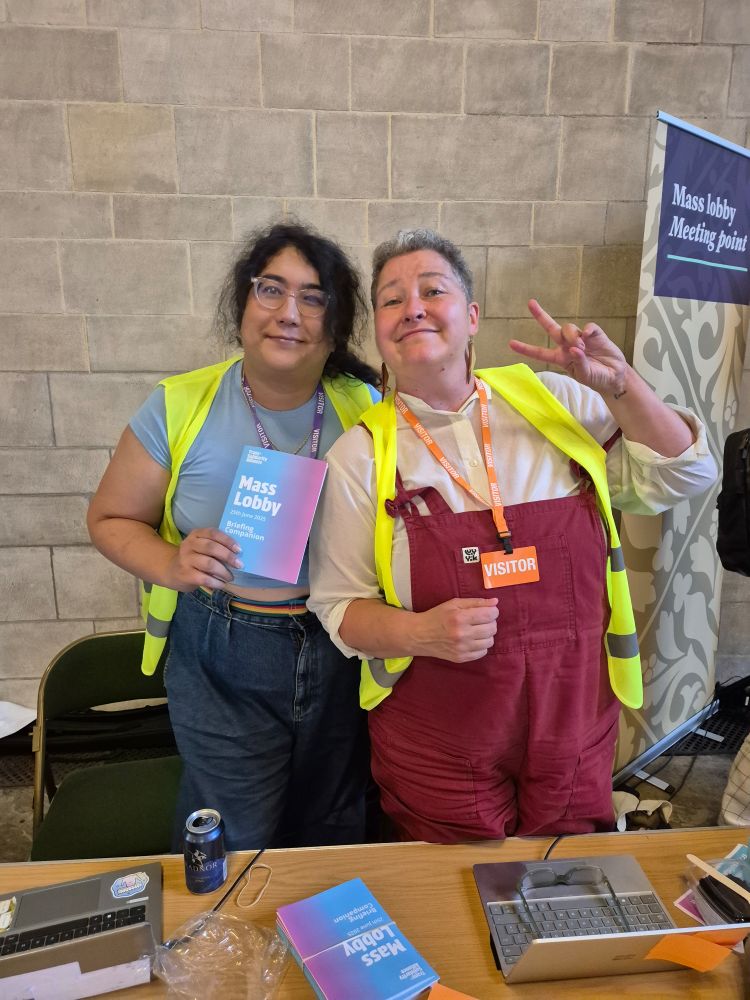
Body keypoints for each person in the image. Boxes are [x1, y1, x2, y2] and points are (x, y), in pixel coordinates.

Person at [308, 228, 717, 844]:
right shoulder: (360, 456)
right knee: (446, 896)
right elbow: (337, 607)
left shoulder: (552, 401)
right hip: (437, 741)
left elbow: (686, 471)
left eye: (432, 290)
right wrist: (421, 632)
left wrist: (620, 385)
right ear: (380, 334)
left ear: (471, 317)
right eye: (392, 299)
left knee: (568, 883)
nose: (412, 307)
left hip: (574, 724)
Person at [88, 222, 379, 851]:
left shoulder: (368, 406)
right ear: (243, 304)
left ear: (335, 323)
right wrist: (170, 561)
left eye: (313, 296)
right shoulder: (179, 404)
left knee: (335, 827)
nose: (288, 313)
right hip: (223, 649)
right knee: (232, 834)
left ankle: (317, 950)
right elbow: (110, 519)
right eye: (271, 289)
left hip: (342, 648)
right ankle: (222, 952)